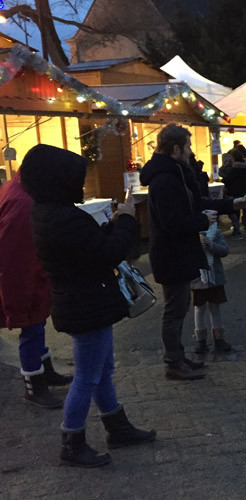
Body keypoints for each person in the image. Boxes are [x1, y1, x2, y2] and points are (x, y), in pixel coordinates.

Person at [20, 144, 155, 468]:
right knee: (87, 376)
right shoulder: (64, 217)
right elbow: (109, 253)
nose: (81, 186)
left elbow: (90, 249)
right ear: (59, 181)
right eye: (76, 180)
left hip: (81, 303)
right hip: (86, 305)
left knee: (100, 371)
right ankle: (72, 440)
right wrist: (125, 220)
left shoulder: (50, 212)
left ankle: (117, 425)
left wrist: (111, 225)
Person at [140, 123, 246, 381]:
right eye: (188, 147)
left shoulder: (175, 173)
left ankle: (178, 357)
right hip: (171, 255)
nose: (191, 152)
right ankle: (173, 362)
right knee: (174, 310)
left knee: (179, 308)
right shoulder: (165, 180)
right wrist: (204, 221)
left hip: (179, 253)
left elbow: (196, 202)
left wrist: (230, 204)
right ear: (176, 148)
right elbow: (173, 222)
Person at [0, 173, 72, 409]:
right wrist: (17, 307)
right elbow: (16, 260)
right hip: (26, 276)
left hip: (31, 273)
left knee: (36, 325)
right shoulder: (24, 203)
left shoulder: (19, 188)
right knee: (31, 326)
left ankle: (44, 371)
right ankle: (34, 385)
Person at [191, 217, 231, 354]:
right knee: (199, 309)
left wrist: (211, 245)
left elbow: (225, 250)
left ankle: (219, 339)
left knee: (215, 308)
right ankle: (200, 340)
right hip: (198, 279)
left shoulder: (217, 233)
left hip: (215, 277)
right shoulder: (191, 234)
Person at [223, 148, 246, 238]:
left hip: (235, 191)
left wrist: (225, 166)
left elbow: (227, 179)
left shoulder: (235, 168)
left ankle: (237, 230)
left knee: (234, 210)